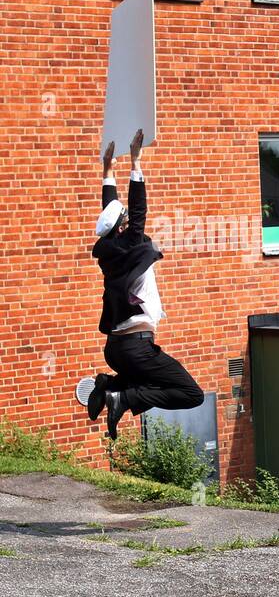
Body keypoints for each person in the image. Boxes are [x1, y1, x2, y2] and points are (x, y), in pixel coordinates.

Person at [86, 130, 203, 440]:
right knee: (191, 393)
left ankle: (112, 387)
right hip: (136, 348)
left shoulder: (109, 253)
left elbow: (112, 215)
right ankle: (120, 396)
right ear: (123, 228)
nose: (130, 225)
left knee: (152, 381)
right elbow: (138, 212)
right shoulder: (131, 243)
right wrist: (136, 162)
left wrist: (108, 171)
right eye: (126, 223)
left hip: (116, 349)